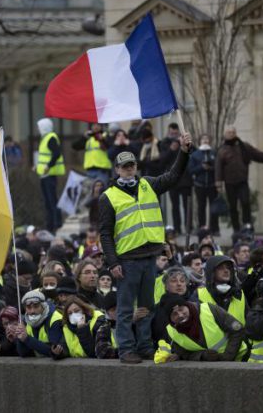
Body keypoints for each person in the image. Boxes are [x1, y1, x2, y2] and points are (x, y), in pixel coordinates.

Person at [99, 132, 192, 364]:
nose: (129, 169)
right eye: (124, 166)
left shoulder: (148, 184)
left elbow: (172, 176)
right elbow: (105, 234)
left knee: (147, 307)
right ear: (117, 169)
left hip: (149, 256)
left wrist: (183, 152)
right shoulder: (108, 197)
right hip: (127, 260)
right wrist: (113, 263)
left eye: (131, 165)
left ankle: (144, 346)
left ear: (135, 166)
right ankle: (126, 349)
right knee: (125, 309)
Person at [160, 294, 247, 362]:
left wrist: (227, 356)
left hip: (239, 358)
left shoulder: (210, 309)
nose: (180, 315)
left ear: (186, 305)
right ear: (170, 319)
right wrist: (202, 355)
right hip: (211, 370)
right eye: (174, 314)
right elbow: (184, 354)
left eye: (181, 309)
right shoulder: (172, 332)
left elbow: (237, 330)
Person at [215, 126, 263, 233]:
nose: (231, 134)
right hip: (229, 182)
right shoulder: (222, 150)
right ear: (225, 135)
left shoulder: (244, 146)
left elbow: (257, 154)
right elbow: (218, 167)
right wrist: (218, 183)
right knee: (233, 206)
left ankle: (247, 225)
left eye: (233, 132)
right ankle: (236, 228)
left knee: (245, 202)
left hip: (242, 180)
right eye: (229, 132)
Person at [197, 255, 247, 325]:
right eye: (221, 268)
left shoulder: (239, 294)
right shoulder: (199, 294)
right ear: (212, 271)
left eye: (228, 268)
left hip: (238, 335)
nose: (226, 271)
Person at [35, 118, 65, 233]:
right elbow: (45, 156)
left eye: (39, 127)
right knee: (48, 202)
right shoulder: (45, 138)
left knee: (52, 201)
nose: (38, 129)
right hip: (44, 175)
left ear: (44, 127)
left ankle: (56, 225)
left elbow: (56, 153)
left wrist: (49, 165)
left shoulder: (50, 138)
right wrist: (37, 166)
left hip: (49, 175)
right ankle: (50, 225)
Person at [14, 290, 64, 358]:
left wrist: (27, 339)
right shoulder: (25, 322)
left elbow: (53, 350)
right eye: (29, 307)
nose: (32, 311)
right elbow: (24, 353)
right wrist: (20, 339)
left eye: (36, 306)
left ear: (43, 306)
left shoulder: (55, 319)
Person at [160, 135, 193, 235]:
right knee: (175, 206)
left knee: (187, 205)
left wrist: (186, 145)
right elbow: (162, 161)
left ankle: (188, 228)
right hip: (173, 182)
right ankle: (177, 228)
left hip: (186, 180)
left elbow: (191, 154)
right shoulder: (166, 145)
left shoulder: (187, 144)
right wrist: (171, 149)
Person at [189, 134, 220, 235]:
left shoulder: (214, 153)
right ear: (200, 141)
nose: (205, 141)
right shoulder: (195, 154)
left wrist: (210, 168)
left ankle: (214, 229)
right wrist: (202, 167)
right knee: (201, 208)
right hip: (200, 185)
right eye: (203, 139)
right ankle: (201, 228)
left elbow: (218, 168)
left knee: (214, 207)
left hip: (212, 185)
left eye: (207, 139)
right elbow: (191, 170)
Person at [95, 291, 119, 359]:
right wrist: (125, 351)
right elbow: (102, 352)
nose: (117, 312)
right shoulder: (104, 328)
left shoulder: (135, 324)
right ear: (107, 313)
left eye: (119, 307)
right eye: (113, 310)